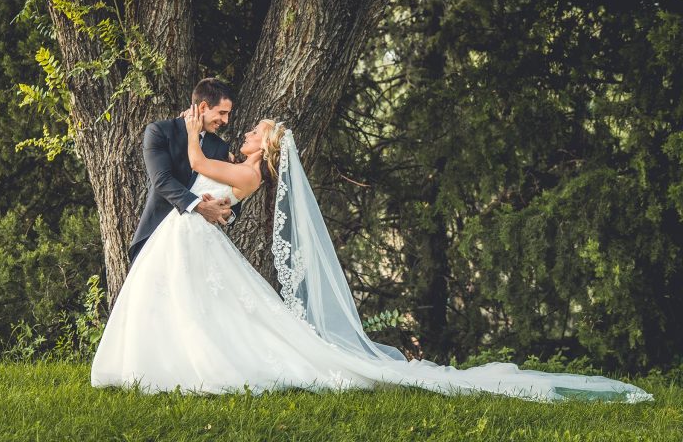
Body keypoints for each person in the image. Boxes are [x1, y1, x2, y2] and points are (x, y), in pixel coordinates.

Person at [91, 107, 653, 403]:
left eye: (257, 130)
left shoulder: (249, 170)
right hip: (190, 238)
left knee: (226, 316)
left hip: (196, 237)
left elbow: (199, 167)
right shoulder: (253, 167)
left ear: (265, 147)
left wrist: (190, 131)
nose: (246, 131)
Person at [127, 78, 240, 265]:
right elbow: (162, 180)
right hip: (157, 233)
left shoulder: (220, 147)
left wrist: (226, 213)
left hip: (198, 244)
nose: (225, 120)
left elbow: (228, 191)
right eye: (222, 113)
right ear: (203, 107)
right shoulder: (159, 131)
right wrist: (200, 206)